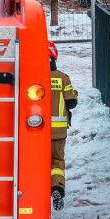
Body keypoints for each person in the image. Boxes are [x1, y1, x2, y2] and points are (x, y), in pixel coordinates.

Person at [49, 41, 77, 210]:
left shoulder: (32, 74)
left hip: (34, 130)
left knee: (36, 160)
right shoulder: (62, 77)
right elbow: (71, 103)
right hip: (58, 131)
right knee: (57, 160)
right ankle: (57, 187)